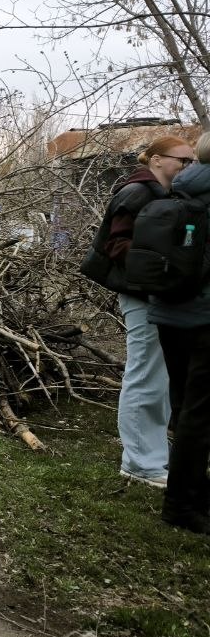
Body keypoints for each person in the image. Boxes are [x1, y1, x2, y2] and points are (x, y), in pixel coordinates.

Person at [84, 135, 192, 489]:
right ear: (158, 160)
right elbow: (117, 245)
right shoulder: (137, 192)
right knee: (145, 374)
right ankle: (139, 464)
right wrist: (160, 271)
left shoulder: (164, 194)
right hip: (141, 295)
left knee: (157, 376)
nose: (188, 167)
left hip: (154, 295)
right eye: (183, 160)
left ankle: (150, 455)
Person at [142, 131, 210, 534]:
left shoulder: (179, 191)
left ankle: (192, 494)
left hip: (169, 314)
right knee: (199, 415)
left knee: (187, 408)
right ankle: (184, 505)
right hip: (204, 319)